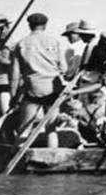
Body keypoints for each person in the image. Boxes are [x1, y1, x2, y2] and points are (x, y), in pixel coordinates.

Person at [10, 12, 67, 148]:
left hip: (32, 90)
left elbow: (14, 76)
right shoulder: (55, 41)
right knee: (51, 129)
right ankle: (53, 158)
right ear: (45, 25)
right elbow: (64, 68)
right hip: (53, 90)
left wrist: (13, 98)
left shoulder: (21, 44)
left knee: (24, 128)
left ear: (30, 25)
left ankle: (18, 159)